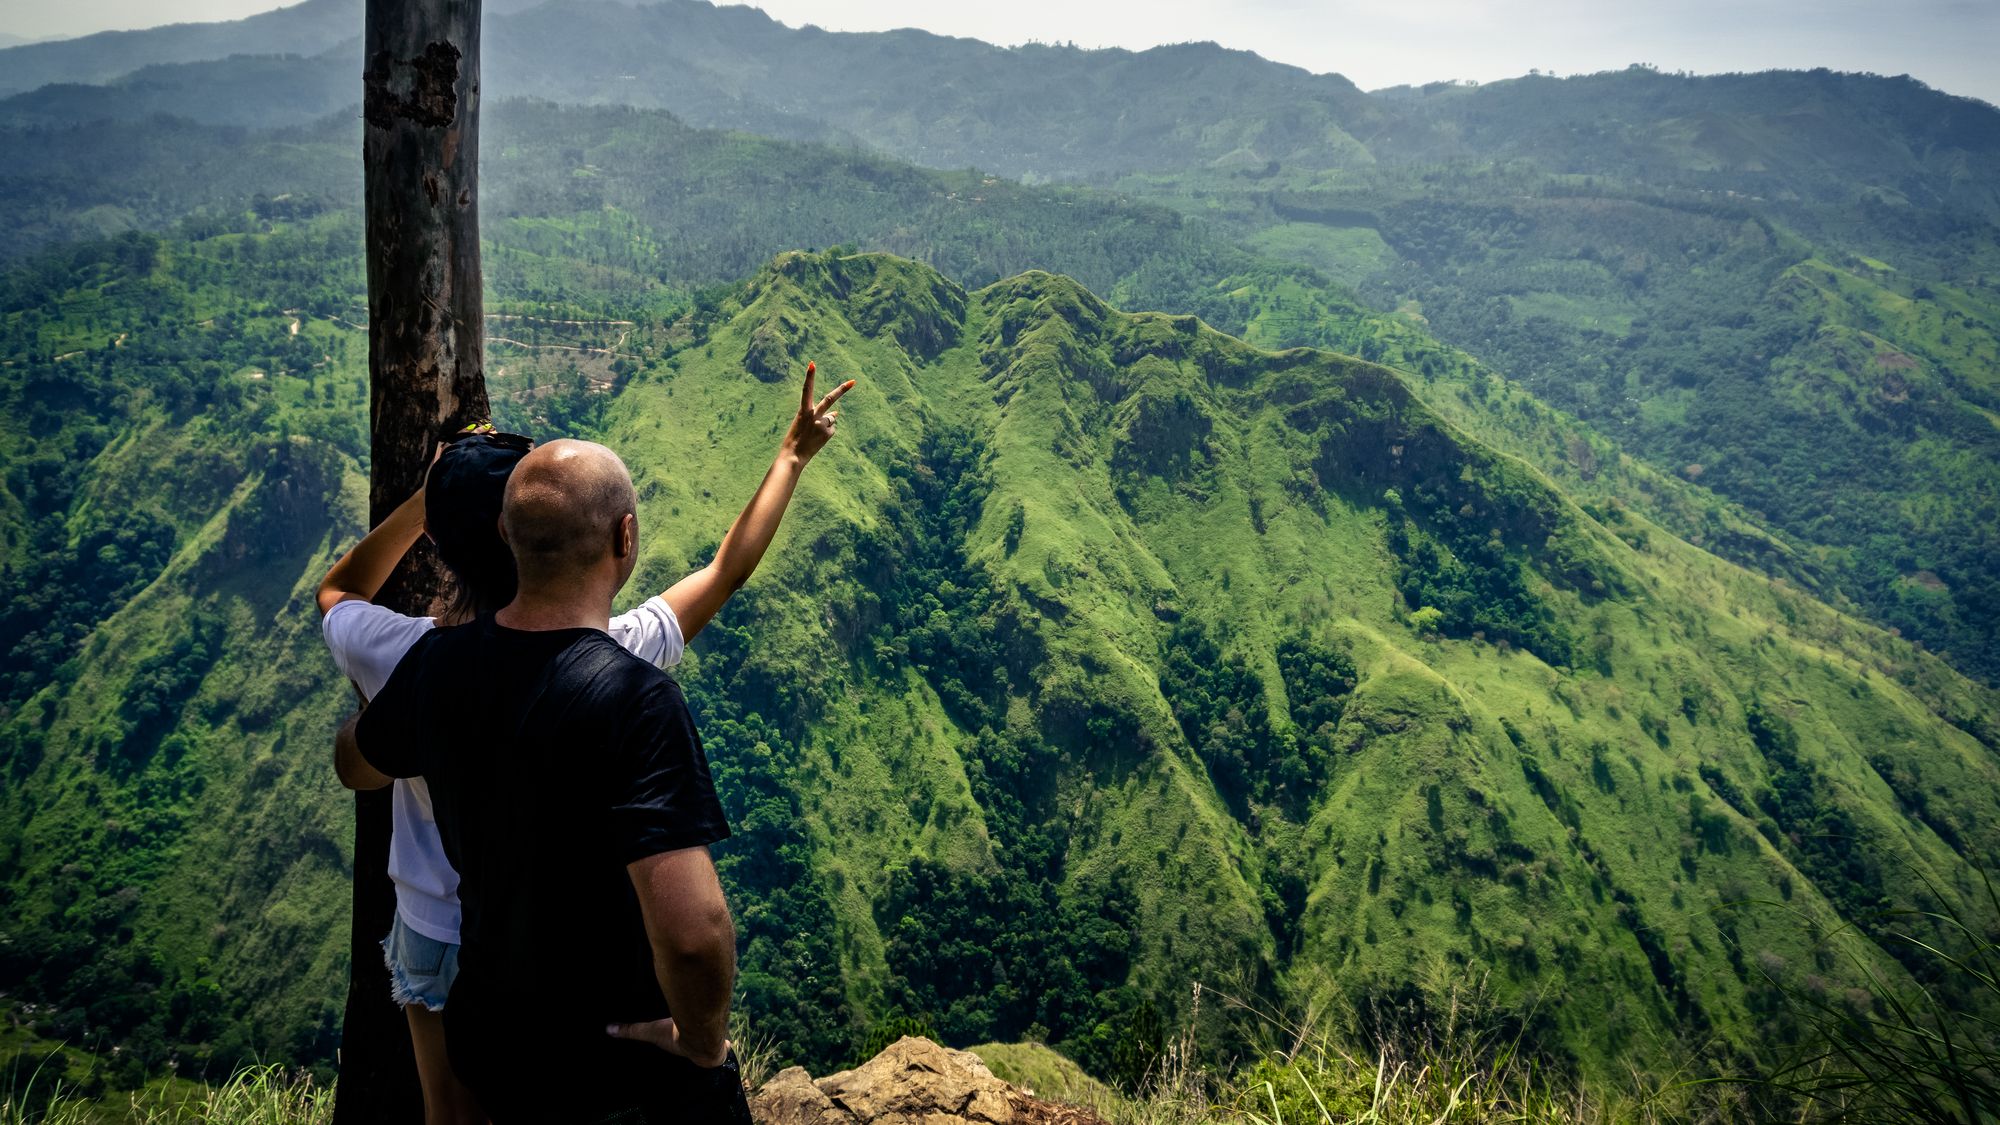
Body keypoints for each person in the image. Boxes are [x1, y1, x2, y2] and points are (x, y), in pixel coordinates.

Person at [320, 364, 852, 1122]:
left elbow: (354, 757)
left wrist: (406, 729)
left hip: (488, 1025)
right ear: (625, 536)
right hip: (607, 1055)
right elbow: (696, 935)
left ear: (508, 532)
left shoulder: (429, 667)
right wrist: (703, 1041)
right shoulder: (633, 683)